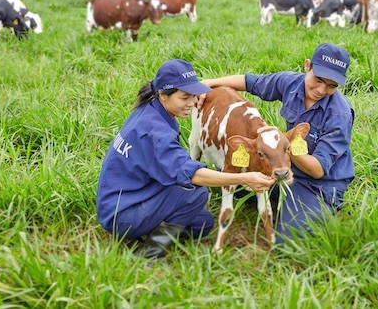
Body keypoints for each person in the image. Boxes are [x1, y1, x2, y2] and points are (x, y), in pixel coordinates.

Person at [96, 59, 275, 258]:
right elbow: (191, 174)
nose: (192, 103)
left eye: (193, 95)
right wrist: (243, 178)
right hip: (122, 213)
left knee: (203, 223)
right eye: (184, 97)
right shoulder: (155, 132)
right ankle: (151, 253)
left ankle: (144, 234)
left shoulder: (151, 111)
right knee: (195, 194)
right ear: (163, 95)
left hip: (131, 196)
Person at [198, 43, 355, 243]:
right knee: (237, 184)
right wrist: (208, 83)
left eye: (332, 85)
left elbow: (318, 170)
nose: (322, 90)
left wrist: (280, 143)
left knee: (289, 240)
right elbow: (251, 82)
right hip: (282, 164)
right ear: (308, 66)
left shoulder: (339, 115)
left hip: (320, 182)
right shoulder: (292, 83)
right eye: (318, 80)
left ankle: (323, 205)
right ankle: (279, 195)